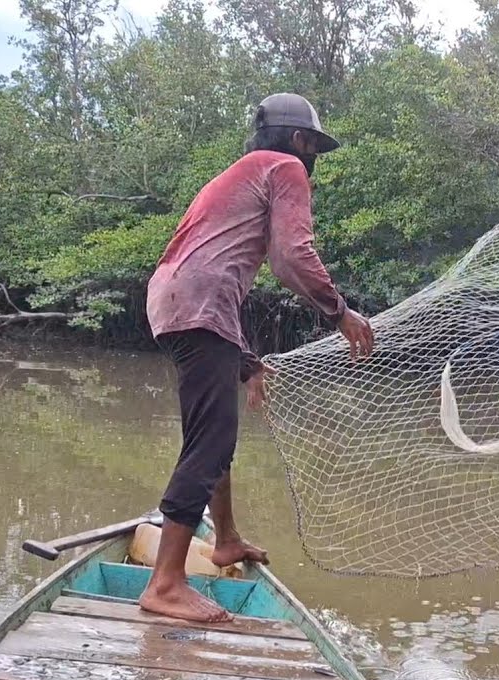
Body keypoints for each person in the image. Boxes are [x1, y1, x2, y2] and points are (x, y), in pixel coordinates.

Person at [140, 93, 375, 622]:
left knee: (213, 431)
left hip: (179, 299)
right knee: (212, 439)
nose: (313, 155)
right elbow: (292, 255)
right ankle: (165, 584)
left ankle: (225, 539)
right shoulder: (286, 167)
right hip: (199, 302)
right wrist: (340, 313)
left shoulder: (244, 171)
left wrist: (245, 362)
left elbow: (217, 262)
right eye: (314, 143)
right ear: (298, 139)